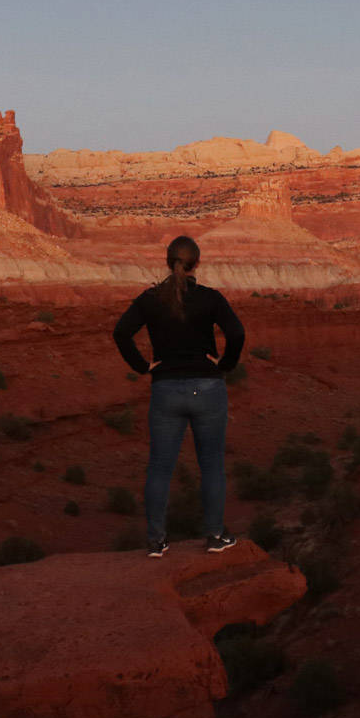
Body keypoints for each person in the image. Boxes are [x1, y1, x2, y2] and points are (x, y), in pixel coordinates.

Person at [112, 234, 244, 556]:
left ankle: (157, 541)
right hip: (208, 388)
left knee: (159, 467)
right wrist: (224, 364)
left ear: (168, 262)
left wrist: (144, 367)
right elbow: (237, 333)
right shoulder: (211, 298)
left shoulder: (150, 298)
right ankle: (214, 536)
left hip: (166, 389)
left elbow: (121, 332)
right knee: (211, 465)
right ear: (197, 263)